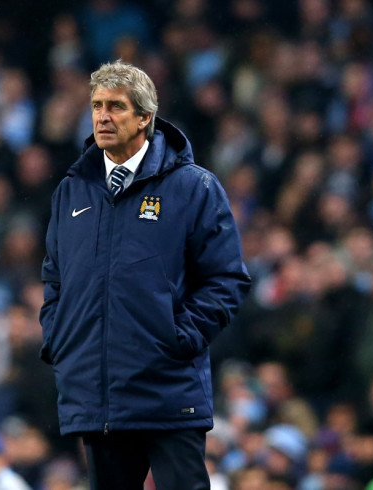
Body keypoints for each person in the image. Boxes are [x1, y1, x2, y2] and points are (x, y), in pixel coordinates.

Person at [39, 60, 251, 490]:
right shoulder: (72, 189)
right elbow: (55, 279)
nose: (102, 116)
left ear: (144, 118)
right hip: (97, 394)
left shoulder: (195, 187)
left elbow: (227, 279)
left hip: (167, 387)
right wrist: (58, 340)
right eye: (96, 105)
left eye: (116, 106)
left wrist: (179, 337)